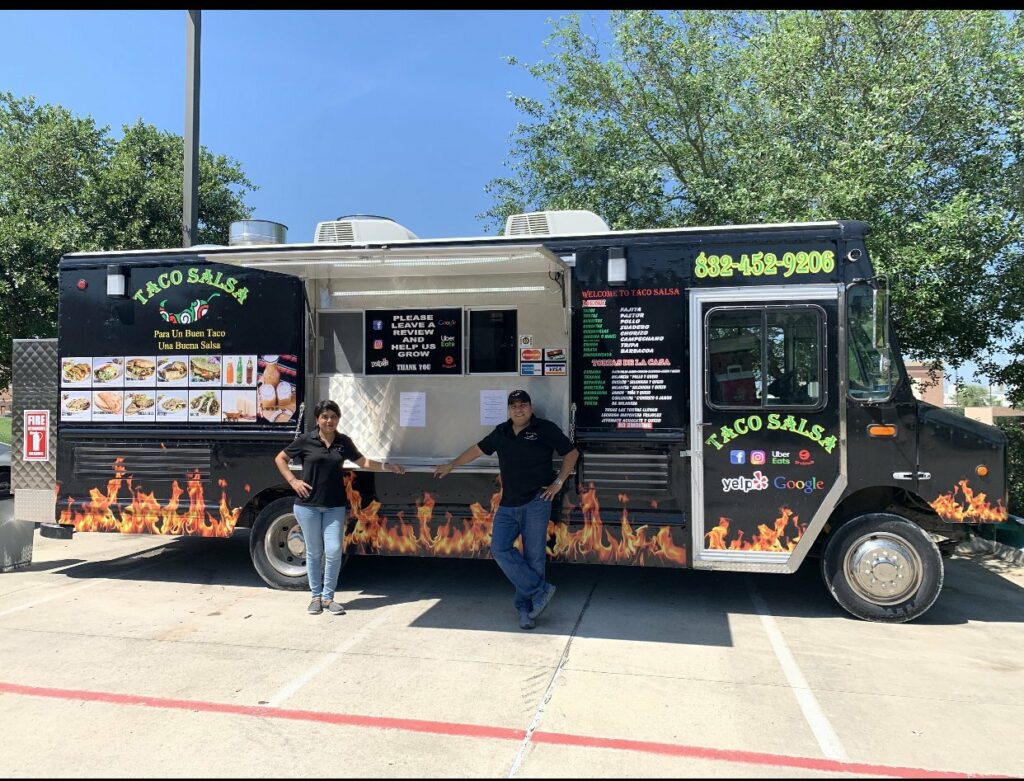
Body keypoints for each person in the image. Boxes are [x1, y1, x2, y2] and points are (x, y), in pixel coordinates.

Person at [434, 389, 579, 630]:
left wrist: (558, 482)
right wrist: (452, 464)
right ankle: (541, 590)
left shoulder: (545, 428)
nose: (518, 409)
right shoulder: (501, 432)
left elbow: (571, 453)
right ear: (508, 409)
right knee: (499, 548)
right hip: (508, 503)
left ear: (530, 408)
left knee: (534, 558)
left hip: (536, 501)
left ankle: (526, 611)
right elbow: (477, 449)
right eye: (514, 405)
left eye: (523, 404)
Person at [275, 399, 405, 616]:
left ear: (338, 419)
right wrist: (293, 481)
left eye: (333, 417)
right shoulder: (307, 440)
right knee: (315, 552)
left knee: (334, 551)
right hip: (308, 507)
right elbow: (280, 458)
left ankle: (329, 598)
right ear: (317, 419)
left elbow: (363, 462)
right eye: (325, 416)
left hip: (334, 505)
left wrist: (387, 467)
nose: (329, 421)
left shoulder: (343, 442)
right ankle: (315, 597)